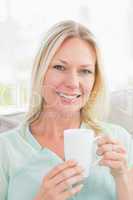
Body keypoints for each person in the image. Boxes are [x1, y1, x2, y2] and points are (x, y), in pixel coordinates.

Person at [0, 20, 133, 200]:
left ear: (95, 79)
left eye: (85, 71)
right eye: (59, 67)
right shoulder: (6, 150)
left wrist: (122, 176)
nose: (72, 83)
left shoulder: (119, 140)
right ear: (41, 71)